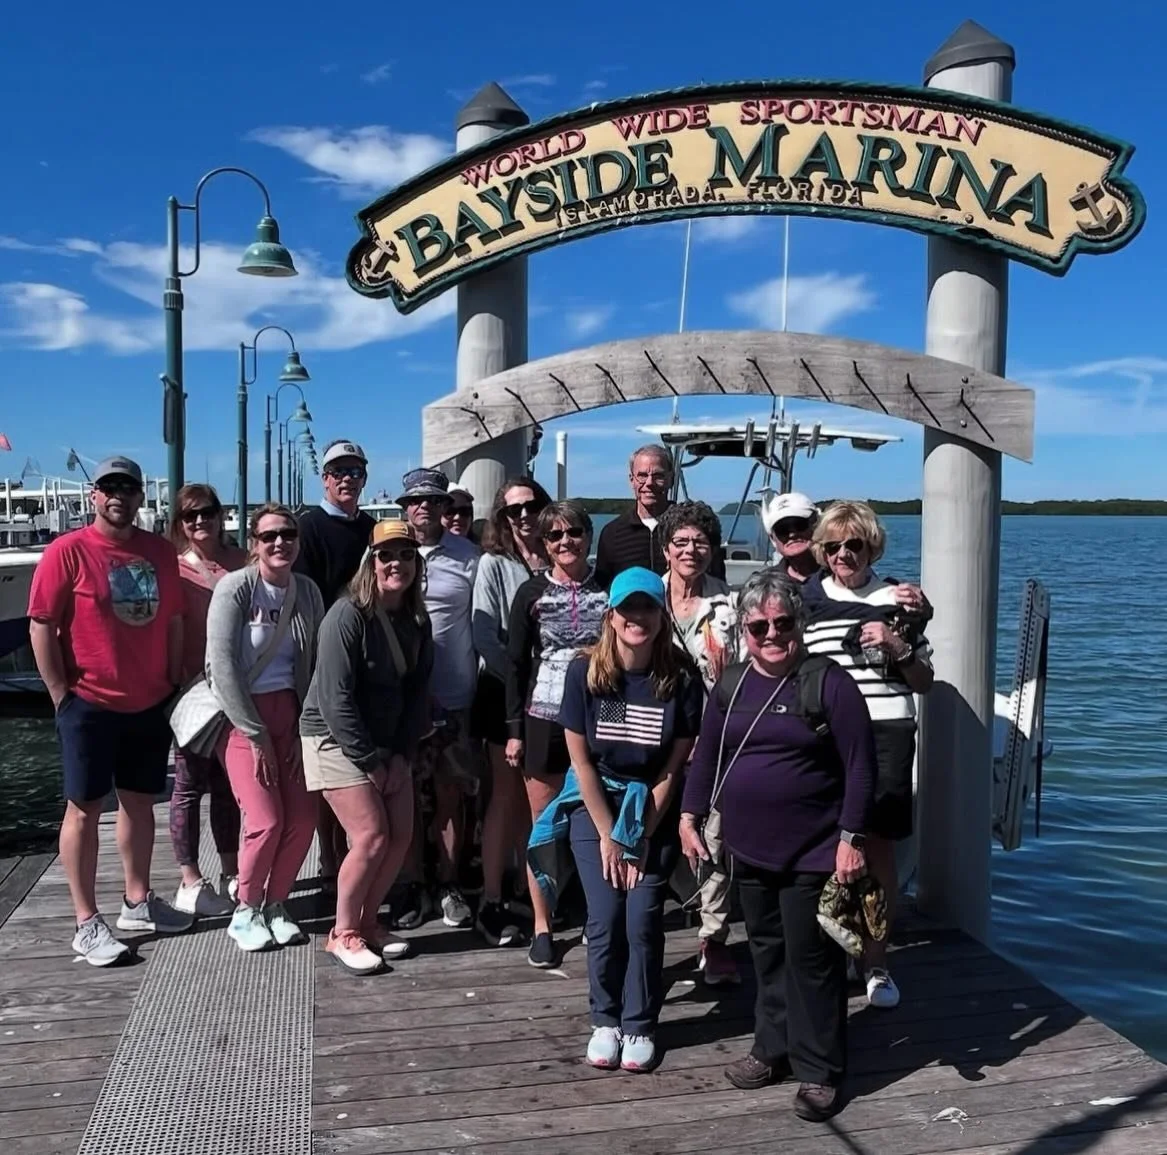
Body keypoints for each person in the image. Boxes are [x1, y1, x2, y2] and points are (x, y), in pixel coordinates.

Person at [680, 569, 875, 1121]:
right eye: (759, 625)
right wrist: (690, 815)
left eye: (782, 623)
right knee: (766, 952)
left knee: (812, 959)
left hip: (814, 851)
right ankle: (772, 1048)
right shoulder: (732, 683)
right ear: (743, 629)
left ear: (800, 623)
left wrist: (851, 839)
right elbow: (708, 753)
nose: (771, 634)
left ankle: (819, 1068)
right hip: (750, 849)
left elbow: (861, 767)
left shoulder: (828, 682)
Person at [530, 567, 703, 1072]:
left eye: (648, 607)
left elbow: (674, 766)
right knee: (604, 916)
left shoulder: (680, 680)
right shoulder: (583, 674)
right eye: (627, 608)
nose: (637, 617)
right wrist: (610, 836)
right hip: (596, 802)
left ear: (660, 616)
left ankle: (640, 1023)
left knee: (643, 917)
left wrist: (641, 836)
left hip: (654, 805)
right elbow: (581, 763)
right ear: (610, 617)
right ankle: (605, 1019)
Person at [27, 455, 192, 965]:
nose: (118, 494)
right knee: (85, 809)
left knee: (140, 803)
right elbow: (40, 624)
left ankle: (137, 901)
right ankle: (84, 921)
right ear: (95, 495)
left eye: (128, 486)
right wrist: (60, 693)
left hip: (148, 702)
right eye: (108, 487)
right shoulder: (67, 550)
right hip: (89, 703)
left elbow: (175, 620)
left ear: (141, 496)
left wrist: (174, 679)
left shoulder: (160, 552)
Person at [802, 500, 934, 1011]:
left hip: (885, 734)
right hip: (825, 737)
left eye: (852, 545)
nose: (842, 555)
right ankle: (827, 949)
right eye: (831, 546)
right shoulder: (808, 600)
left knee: (876, 849)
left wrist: (896, 645)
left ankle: (876, 961)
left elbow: (924, 680)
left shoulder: (899, 600)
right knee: (822, 844)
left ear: (870, 545)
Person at [301, 521, 434, 974]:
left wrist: (400, 754)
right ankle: (343, 933)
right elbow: (334, 698)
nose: (396, 563)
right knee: (371, 835)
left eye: (406, 554)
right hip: (334, 738)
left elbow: (417, 695)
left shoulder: (417, 619)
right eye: (386, 555)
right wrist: (371, 761)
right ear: (371, 562)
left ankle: (369, 919)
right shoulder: (347, 615)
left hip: (387, 743)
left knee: (400, 834)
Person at [206, 503, 325, 953]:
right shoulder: (234, 589)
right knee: (265, 819)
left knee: (304, 818)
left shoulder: (307, 592)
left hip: (291, 717)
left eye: (288, 535)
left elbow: (313, 666)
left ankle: (277, 903)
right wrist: (254, 736)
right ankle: (246, 908)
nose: (280, 543)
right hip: (242, 719)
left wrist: (301, 728)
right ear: (254, 544)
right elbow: (221, 666)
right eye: (270, 536)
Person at [506, 499, 607, 967]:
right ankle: (542, 924)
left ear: (587, 536)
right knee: (543, 826)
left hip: (599, 710)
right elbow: (513, 665)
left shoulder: (608, 588)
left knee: (594, 817)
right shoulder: (530, 593)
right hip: (543, 715)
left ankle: (594, 913)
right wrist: (513, 731)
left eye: (574, 533)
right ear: (543, 545)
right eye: (554, 536)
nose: (565, 542)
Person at [392, 468, 480, 931]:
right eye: (415, 500)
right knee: (404, 795)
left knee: (450, 793)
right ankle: (410, 884)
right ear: (404, 507)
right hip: (403, 703)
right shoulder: (387, 554)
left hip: (454, 697)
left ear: (447, 508)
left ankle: (448, 883)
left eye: (433, 500)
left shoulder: (470, 557)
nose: (423, 507)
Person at [657, 500, 740, 986]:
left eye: (701, 542)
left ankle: (713, 937)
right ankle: (641, 932)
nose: (691, 550)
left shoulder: (727, 604)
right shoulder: (645, 598)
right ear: (666, 549)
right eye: (682, 542)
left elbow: (741, 676)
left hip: (712, 740)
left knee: (713, 841)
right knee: (647, 832)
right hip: (653, 739)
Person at [470, 476, 551, 947]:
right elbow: (486, 638)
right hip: (504, 694)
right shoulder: (493, 565)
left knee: (534, 799)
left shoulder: (555, 559)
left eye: (531, 505)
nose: (523, 515)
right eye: (512, 510)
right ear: (501, 518)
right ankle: (492, 896)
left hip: (548, 698)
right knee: (504, 795)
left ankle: (530, 887)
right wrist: (523, 684)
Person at [167, 484, 245, 918]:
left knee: (229, 787)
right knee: (187, 786)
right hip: (194, 693)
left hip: (237, 690)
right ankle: (190, 878)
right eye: (191, 515)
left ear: (221, 515)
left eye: (208, 512)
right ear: (180, 522)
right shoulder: (174, 570)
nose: (201, 521)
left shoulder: (241, 562)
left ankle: (230, 871)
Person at [594, 444, 726, 588]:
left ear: (671, 479)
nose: (649, 483)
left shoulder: (695, 529)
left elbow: (716, 581)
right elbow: (604, 589)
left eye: (658, 476)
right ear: (632, 480)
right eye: (642, 476)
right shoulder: (612, 534)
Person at [761, 491, 821, 582]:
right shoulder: (764, 584)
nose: (792, 534)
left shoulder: (839, 575)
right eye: (782, 529)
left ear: (817, 525)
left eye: (799, 524)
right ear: (773, 539)